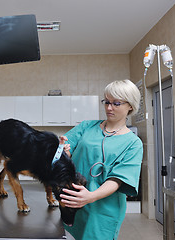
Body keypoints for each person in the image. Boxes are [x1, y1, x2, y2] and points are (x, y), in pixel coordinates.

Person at [60, 79, 143, 240]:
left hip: (104, 208)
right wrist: (63, 151)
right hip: (75, 201)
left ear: (130, 106)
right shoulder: (86, 127)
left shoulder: (133, 143)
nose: (109, 108)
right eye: (106, 102)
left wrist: (90, 197)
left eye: (116, 103)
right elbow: (64, 153)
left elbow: (118, 179)